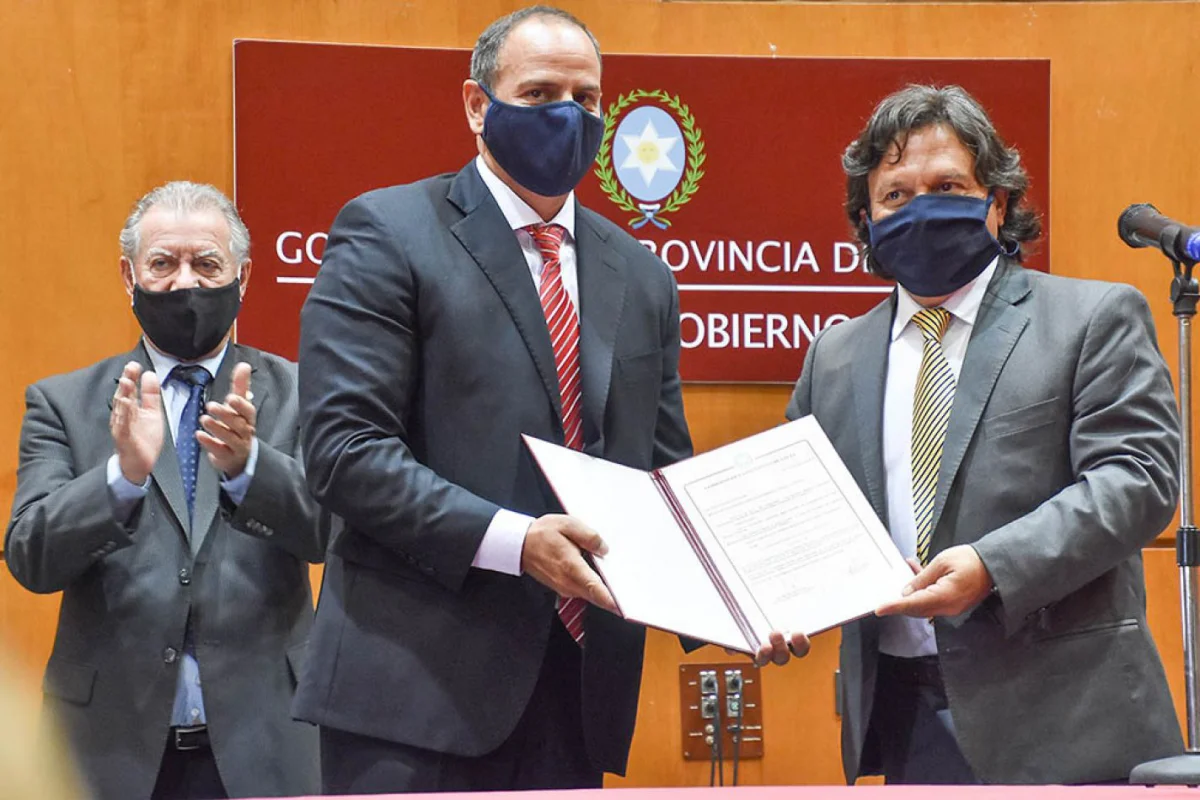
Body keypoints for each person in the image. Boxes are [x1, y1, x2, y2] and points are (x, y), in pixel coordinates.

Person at [292, 5, 692, 793]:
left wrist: (743, 601)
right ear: (478, 106)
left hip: (578, 696)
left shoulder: (642, 275)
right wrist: (516, 542)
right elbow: (343, 453)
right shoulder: (387, 232)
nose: (567, 117)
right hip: (412, 699)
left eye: (585, 99)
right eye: (539, 94)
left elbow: (665, 474)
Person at [779, 84, 1183, 784]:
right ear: (867, 221)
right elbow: (794, 513)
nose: (921, 208)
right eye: (896, 195)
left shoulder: (1092, 318)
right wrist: (767, 601)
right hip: (902, 717)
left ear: (996, 202)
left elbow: (1137, 481)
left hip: (1068, 720)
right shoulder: (834, 357)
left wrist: (992, 566)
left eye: (947, 187)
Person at [5, 181, 332, 800]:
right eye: (163, 264)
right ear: (129, 277)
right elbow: (30, 557)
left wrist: (250, 468)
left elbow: (330, 535)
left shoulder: (301, 393)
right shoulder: (62, 403)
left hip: (267, 744)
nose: (186, 284)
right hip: (108, 749)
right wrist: (121, 478)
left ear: (244, 278)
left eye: (207, 264)